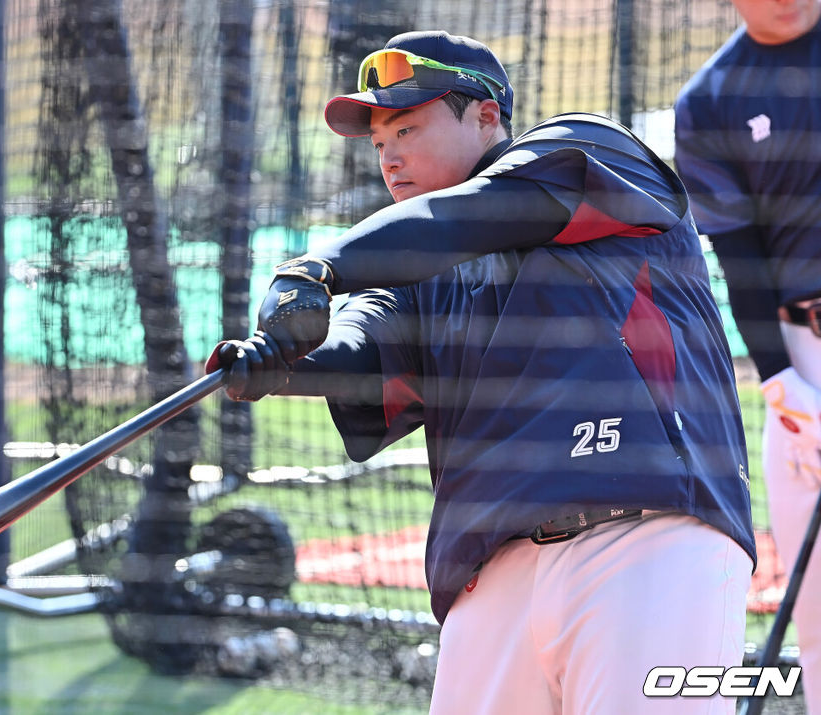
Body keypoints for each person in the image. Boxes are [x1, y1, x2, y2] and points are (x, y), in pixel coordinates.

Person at [208, 31, 757, 712]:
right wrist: (279, 365)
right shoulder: (415, 278)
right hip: (490, 576)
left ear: (488, 114)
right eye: (379, 144)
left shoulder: (586, 149)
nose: (391, 156)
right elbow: (360, 344)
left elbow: (471, 214)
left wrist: (317, 267)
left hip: (647, 546)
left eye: (407, 126)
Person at [674, 0, 821, 709]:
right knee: (818, 607)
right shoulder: (710, 101)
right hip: (805, 351)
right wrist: (787, 387)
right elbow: (742, 262)